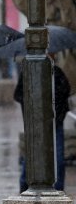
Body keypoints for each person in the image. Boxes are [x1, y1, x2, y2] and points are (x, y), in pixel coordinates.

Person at [14, 57, 72, 192]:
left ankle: (52, 187)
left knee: (42, 156)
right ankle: (29, 185)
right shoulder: (31, 73)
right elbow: (18, 95)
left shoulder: (55, 73)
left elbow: (64, 93)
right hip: (41, 122)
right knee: (38, 156)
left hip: (50, 122)